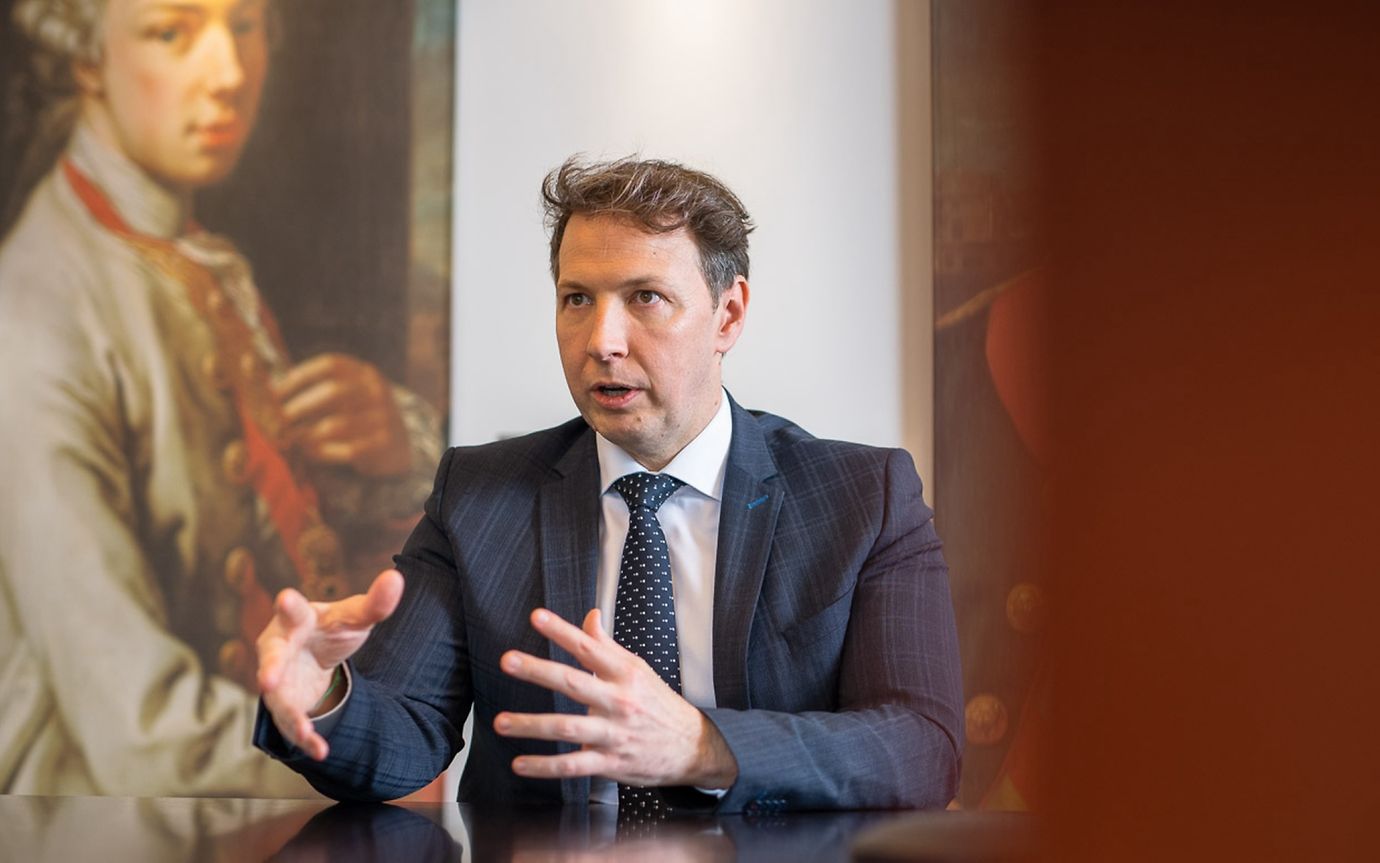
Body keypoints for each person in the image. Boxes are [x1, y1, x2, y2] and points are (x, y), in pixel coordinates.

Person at [255, 156, 963, 812]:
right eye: (577, 299)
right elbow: (404, 734)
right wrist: (321, 693)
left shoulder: (862, 497)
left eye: (645, 297)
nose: (602, 340)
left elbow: (923, 746)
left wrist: (701, 744)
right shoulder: (477, 495)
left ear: (729, 314)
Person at [0, 0, 440, 795]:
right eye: (173, 32)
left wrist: (400, 444)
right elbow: (139, 732)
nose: (230, 75)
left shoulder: (196, 260)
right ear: (85, 58)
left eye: (244, 28)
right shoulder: (36, 314)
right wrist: (386, 773)